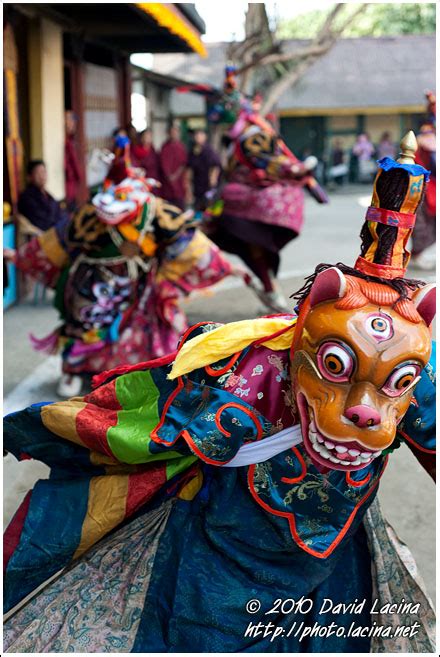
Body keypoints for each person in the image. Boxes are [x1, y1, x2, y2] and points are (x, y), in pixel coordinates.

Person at [3, 132, 435, 653]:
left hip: (330, 560)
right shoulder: (249, 360)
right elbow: (155, 419)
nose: (366, 410)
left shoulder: (414, 371)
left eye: (401, 381)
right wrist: (64, 427)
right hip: (224, 561)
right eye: (335, 365)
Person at [6, 173, 245, 397]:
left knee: (147, 331)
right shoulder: (90, 213)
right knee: (84, 326)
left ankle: (142, 375)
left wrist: (225, 266)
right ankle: (73, 371)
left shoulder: (155, 212)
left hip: (137, 284)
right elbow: (56, 242)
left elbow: (189, 243)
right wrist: (19, 255)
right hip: (91, 282)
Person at [205, 69, 328, 314]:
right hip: (233, 202)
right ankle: (268, 288)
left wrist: (293, 169)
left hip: (251, 200)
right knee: (243, 245)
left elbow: (268, 161)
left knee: (253, 245)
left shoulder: (251, 136)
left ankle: (270, 288)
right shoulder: (239, 136)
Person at [412, 91, 436, 271]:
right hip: (421, 186)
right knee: (421, 225)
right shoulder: (423, 141)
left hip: (432, 186)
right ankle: (416, 254)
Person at [17, 160, 68, 231]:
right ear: (29, 177)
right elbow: (43, 223)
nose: (42, 176)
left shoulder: (47, 195)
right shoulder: (27, 197)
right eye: (38, 173)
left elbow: (60, 213)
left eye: (44, 172)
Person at [186, 129, 221, 210]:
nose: (198, 137)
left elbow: (216, 166)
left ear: (205, 137)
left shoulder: (209, 151)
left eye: (200, 135)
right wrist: (188, 188)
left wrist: (213, 181)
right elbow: (189, 169)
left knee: (209, 209)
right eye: (196, 135)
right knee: (198, 208)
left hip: (208, 186)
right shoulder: (192, 152)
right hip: (197, 185)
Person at [159, 123, 188, 208]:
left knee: (179, 207)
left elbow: (183, 164)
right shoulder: (164, 146)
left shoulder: (181, 147)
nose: (173, 134)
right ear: (168, 133)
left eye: (175, 132)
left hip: (179, 183)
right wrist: (168, 176)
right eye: (172, 132)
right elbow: (162, 163)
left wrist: (175, 176)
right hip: (166, 184)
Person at [64, 110, 82, 212]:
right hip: (67, 185)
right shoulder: (65, 141)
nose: (73, 124)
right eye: (70, 120)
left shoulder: (71, 140)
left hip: (72, 185)